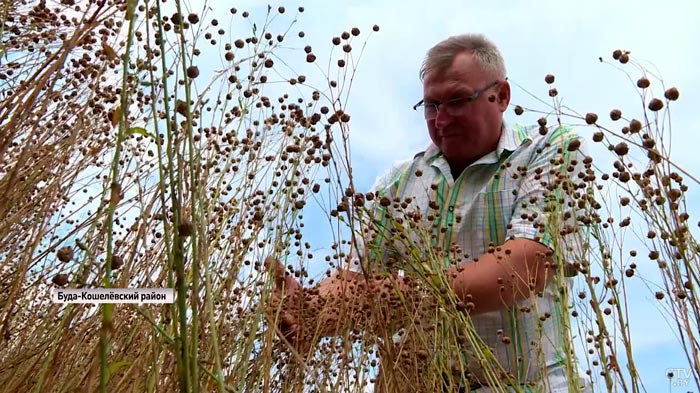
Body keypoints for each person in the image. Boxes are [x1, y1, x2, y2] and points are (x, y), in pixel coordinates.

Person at [267, 33, 591, 392]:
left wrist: (401, 297)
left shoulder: (550, 151)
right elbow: (355, 279)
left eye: (457, 101)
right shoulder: (399, 182)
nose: (442, 119)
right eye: (431, 106)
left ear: (501, 96)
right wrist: (311, 310)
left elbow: (527, 265)